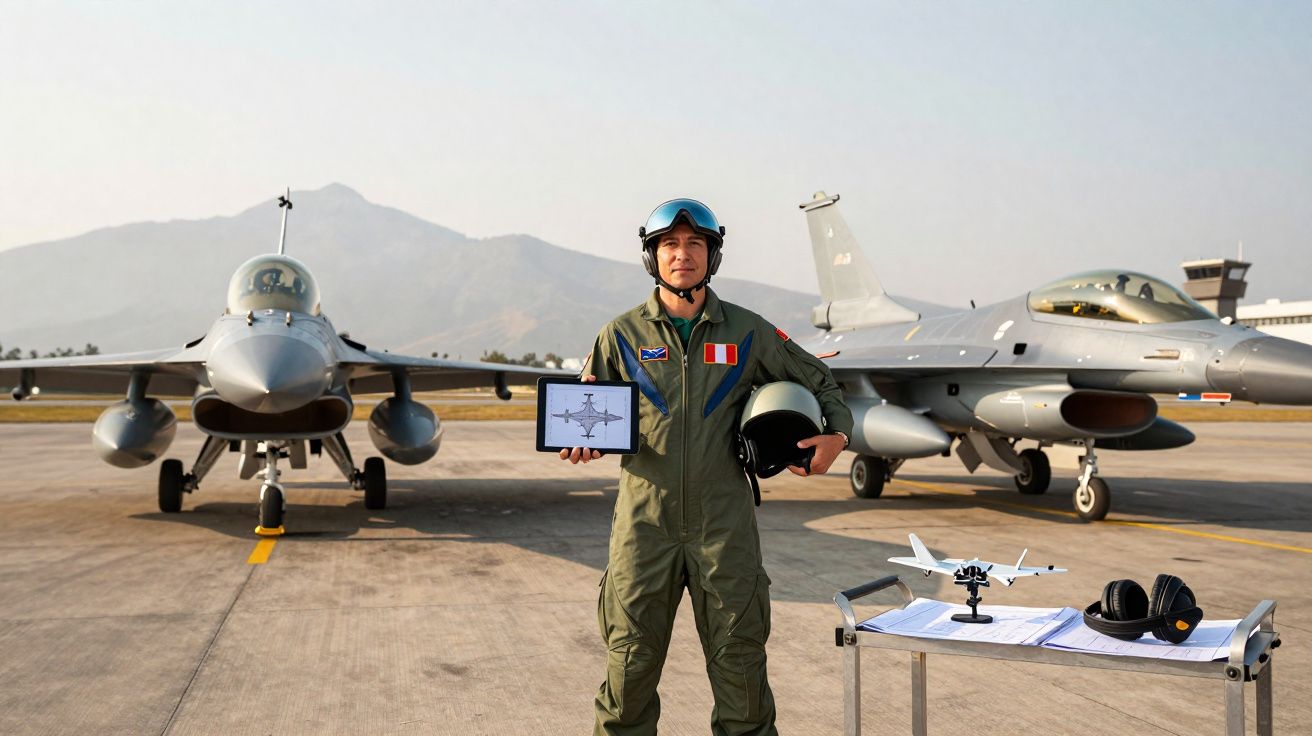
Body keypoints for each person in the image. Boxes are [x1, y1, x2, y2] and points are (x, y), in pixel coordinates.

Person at [560, 198, 853, 735]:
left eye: (695, 244)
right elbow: (586, 406)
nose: (682, 255)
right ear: (653, 258)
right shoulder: (620, 335)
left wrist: (836, 435)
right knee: (629, 671)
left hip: (724, 526)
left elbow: (819, 379)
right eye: (669, 245)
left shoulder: (748, 332)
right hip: (644, 526)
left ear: (712, 255)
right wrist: (582, 441)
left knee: (741, 669)